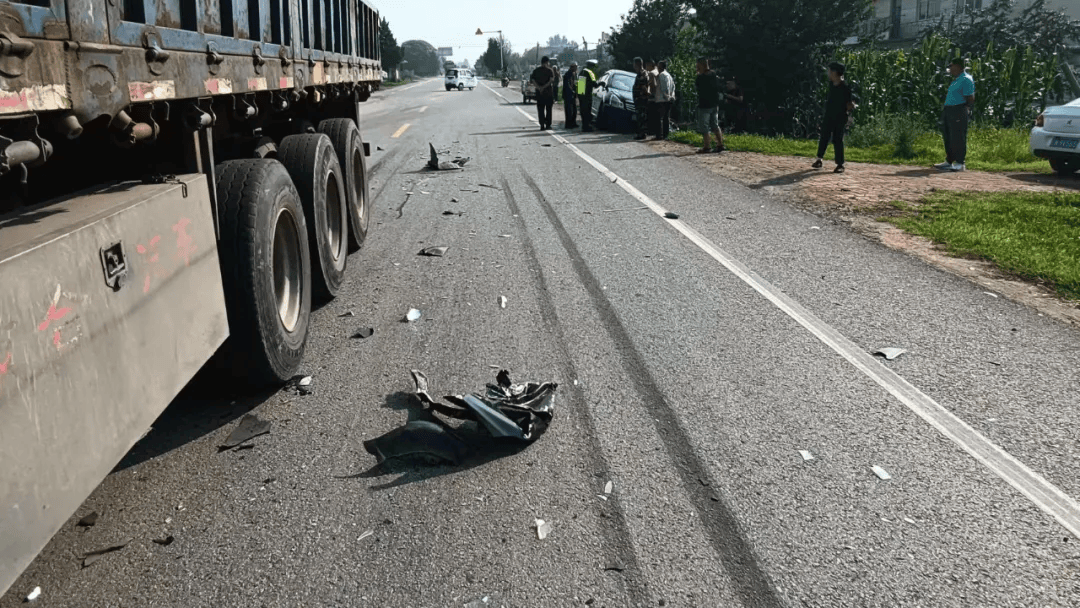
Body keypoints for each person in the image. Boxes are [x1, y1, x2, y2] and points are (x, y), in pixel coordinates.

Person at [812, 62, 855, 174]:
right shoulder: (832, 85)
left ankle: (840, 164)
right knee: (824, 136)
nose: (828, 73)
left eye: (830, 71)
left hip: (840, 117)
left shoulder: (845, 88)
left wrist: (850, 114)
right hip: (829, 115)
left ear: (835, 72)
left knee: (837, 139)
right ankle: (819, 159)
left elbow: (849, 104)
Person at [936, 57, 975, 172]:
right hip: (949, 110)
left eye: (951, 66)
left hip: (959, 110)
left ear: (958, 66)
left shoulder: (966, 79)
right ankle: (949, 161)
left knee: (958, 137)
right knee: (948, 136)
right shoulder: (956, 80)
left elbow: (970, 98)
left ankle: (960, 163)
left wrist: (965, 109)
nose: (950, 68)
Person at [694, 58, 724, 153]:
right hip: (715, 104)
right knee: (715, 124)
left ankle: (707, 146)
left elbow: (698, 88)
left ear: (701, 65)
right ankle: (720, 144)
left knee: (705, 126)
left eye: (698, 66)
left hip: (704, 105)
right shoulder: (714, 75)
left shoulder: (700, 77)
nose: (696, 67)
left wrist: (697, 73)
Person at [530, 57, 557, 130]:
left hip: (539, 93)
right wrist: (544, 87)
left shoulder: (536, 71)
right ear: (546, 62)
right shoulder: (550, 71)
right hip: (548, 93)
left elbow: (533, 80)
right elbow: (551, 81)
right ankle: (548, 124)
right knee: (548, 109)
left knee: (540, 109)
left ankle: (542, 124)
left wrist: (539, 88)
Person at [653, 60, 675, 140]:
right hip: (668, 99)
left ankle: (659, 135)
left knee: (659, 118)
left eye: (658, 66)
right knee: (666, 117)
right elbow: (673, 86)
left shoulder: (662, 75)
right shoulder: (669, 75)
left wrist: (666, 96)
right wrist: (671, 96)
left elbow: (663, 87)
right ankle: (666, 135)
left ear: (661, 67)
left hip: (662, 99)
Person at [578, 59, 599, 132]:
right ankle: (586, 127)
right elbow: (595, 84)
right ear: (592, 66)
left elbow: (580, 85)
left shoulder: (582, 71)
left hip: (581, 94)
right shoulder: (590, 72)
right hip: (587, 95)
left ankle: (584, 126)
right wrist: (601, 83)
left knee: (583, 110)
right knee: (587, 110)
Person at [632, 57, 650, 140]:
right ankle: (642, 133)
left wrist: (642, 95)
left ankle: (642, 134)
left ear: (638, 64)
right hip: (640, 99)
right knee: (641, 116)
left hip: (641, 99)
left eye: (634, 64)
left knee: (641, 117)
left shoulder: (642, 74)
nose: (633, 66)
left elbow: (643, 87)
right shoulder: (643, 73)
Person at [563, 62, 579, 128]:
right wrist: (572, 91)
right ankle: (568, 124)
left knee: (574, 110)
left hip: (573, 94)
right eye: (575, 67)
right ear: (571, 67)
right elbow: (567, 85)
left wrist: (577, 92)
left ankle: (573, 122)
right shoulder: (567, 74)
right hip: (568, 94)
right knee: (569, 110)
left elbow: (576, 83)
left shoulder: (575, 74)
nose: (576, 68)